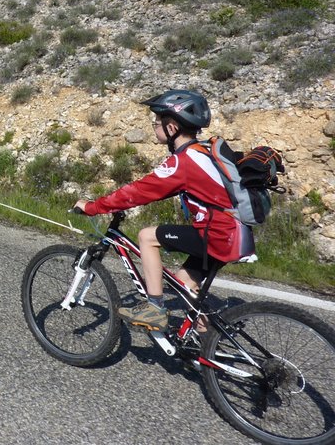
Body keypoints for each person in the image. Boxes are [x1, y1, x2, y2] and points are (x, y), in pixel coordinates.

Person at [75, 89, 254, 332]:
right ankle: (208, 346)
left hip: (219, 235)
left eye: (157, 122)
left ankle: (155, 308)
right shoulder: (201, 151)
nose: (154, 127)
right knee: (184, 284)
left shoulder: (184, 161)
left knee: (147, 236)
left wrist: (93, 207)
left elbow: (138, 191)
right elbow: (162, 189)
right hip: (234, 234)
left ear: (172, 128)